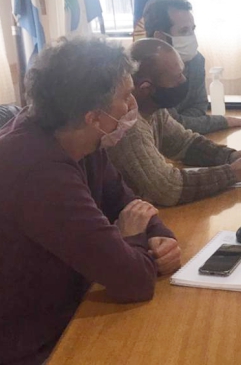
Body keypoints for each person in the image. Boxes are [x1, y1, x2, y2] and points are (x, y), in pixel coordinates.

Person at [0, 37, 180, 365]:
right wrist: (134, 239)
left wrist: (159, 236)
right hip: (39, 345)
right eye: (125, 97)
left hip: (73, 312)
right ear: (93, 116)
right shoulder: (36, 170)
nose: (131, 106)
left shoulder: (79, 139)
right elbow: (133, 281)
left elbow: (126, 201)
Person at [107, 38, 241, 207]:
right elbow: (168, 188)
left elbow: (185, 143)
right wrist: (233, 172)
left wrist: (231, 156)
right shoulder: (128, 128)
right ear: (146, 88)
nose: (183, 80)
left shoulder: (154, 109)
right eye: (177, 77)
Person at [143, 0, 241, 133]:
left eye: (193, 29)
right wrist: (222, 122)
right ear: (160, 37)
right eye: (184, 31)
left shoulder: (196, 60)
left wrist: (187, 122)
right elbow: (170, 125)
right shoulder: (145, 72)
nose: (192, 36)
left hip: (179, 141)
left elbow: (199, 106)